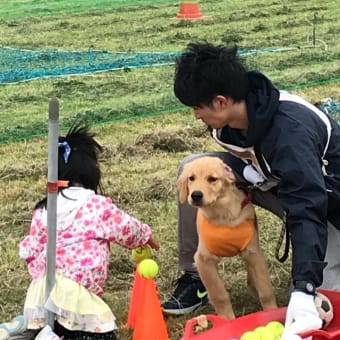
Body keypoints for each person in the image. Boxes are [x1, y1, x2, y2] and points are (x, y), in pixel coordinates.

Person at [161, 42, 340, 337]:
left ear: (220, 102)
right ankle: (196, 275)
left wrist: (304, 287)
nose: (195, 116)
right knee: (192, 167)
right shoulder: (226, 123)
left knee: (328, 303)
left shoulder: (290, 134)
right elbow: (248, 152)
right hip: (273, 180)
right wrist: (242, 172)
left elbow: (309, 204)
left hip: (326, 196)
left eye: (197, 107)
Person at [0, 123, 159, 340]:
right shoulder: (94, 204)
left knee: (52, 326)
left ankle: (25, 330)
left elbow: (29, 250)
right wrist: (145, 236)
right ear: (91, 172)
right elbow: (126, 228)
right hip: (75, 293)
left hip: (40, 292)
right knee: (100, 336)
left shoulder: (44, 209)